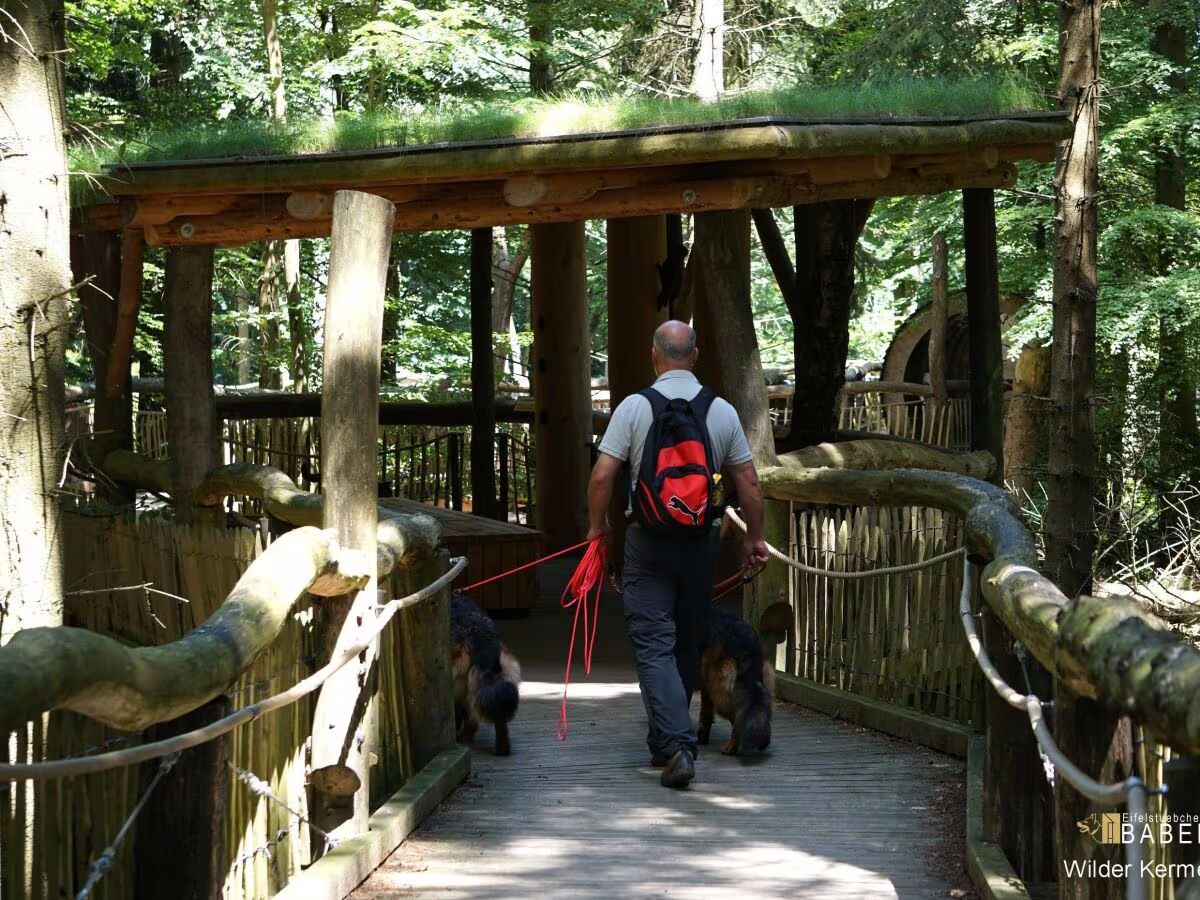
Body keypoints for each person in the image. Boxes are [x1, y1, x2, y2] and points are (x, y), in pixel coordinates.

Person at [586, 320, 769, 789]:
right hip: (699, 542)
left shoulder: (633, 407)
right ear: (696, 354)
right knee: (686, 640)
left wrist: (597, 529)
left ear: (654, 355)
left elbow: (604, 476)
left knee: (652, 643)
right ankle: (665, 742)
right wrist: (755, 539)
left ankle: (677, 745)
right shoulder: (721, 411)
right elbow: (748, 482)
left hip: (647, 541)